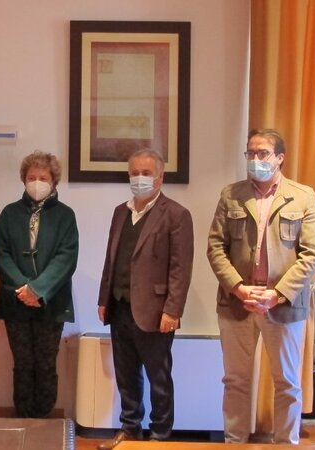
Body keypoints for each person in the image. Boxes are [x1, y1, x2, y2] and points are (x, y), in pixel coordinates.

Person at [206, 128, 315, 444]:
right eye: (251, 153)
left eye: (263, 153)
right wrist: (238, 288)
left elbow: (312, 254)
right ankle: (235, 443)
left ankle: (286, 444)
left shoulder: (303, 196)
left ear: (279, 158)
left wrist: (277, 294)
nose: (255, 159)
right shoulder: (231, 195)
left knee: (287, 384)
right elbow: (215, 248)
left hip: (283, 305)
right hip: (237, 302)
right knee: (235, 381)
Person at [96, 149, 194, 450]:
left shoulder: (176, 214)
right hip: (120, 306)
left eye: (146, 173)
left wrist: (172, 310)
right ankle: (130, 429)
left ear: (160, 178)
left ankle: (160, 435)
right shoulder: (120, 212)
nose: (140, 178)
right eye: (135, 173)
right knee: (126, 374)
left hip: (155, 310)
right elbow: (111, 259)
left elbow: (180, 268)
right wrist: (103, 299)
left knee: (158, 377)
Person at [0, 151, 78, 418]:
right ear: (24, 179)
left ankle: (44, 419)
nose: (37, 182)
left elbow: (66, 257)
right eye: (31, 177)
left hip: (51, 303)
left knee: (46, 363)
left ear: (53, 181)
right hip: (15, 301)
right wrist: (23, 287)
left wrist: (38, 289)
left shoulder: (65, 215)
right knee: (22, 363)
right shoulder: (9, 213)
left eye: (43, 178)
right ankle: (23, 418)